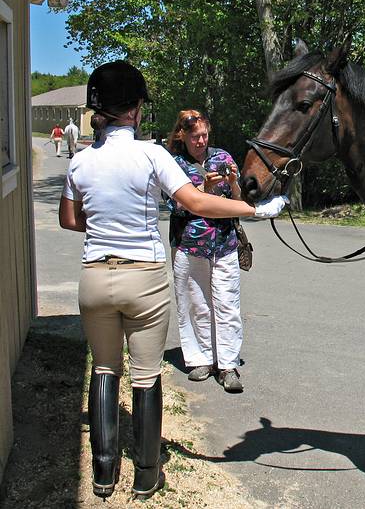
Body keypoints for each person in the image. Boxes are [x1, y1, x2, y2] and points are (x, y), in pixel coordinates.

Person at [58, 60, 288, 501]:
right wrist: (255, 210)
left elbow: (71, 219)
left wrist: (108, 217)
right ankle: (147, 474)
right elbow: (197, 202)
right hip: (142, 277)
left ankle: (104, 475)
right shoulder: (152, 154)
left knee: (104, 368)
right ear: (136, 109)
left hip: (94, 275)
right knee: (145, 376)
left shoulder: (81, 160)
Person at [165, 110, 249, 393]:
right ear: (182, 136)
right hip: (189, 244)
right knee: (195, 304)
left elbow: (239, 200)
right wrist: (203, 187)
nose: (201, 140)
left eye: (204, 135)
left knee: (227, 304)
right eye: (194, 136)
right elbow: (175, 206)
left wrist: (234, 182)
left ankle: (227, 364)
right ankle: (201, 358)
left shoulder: (223, 157)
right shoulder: (174, 164)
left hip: (224, 243)